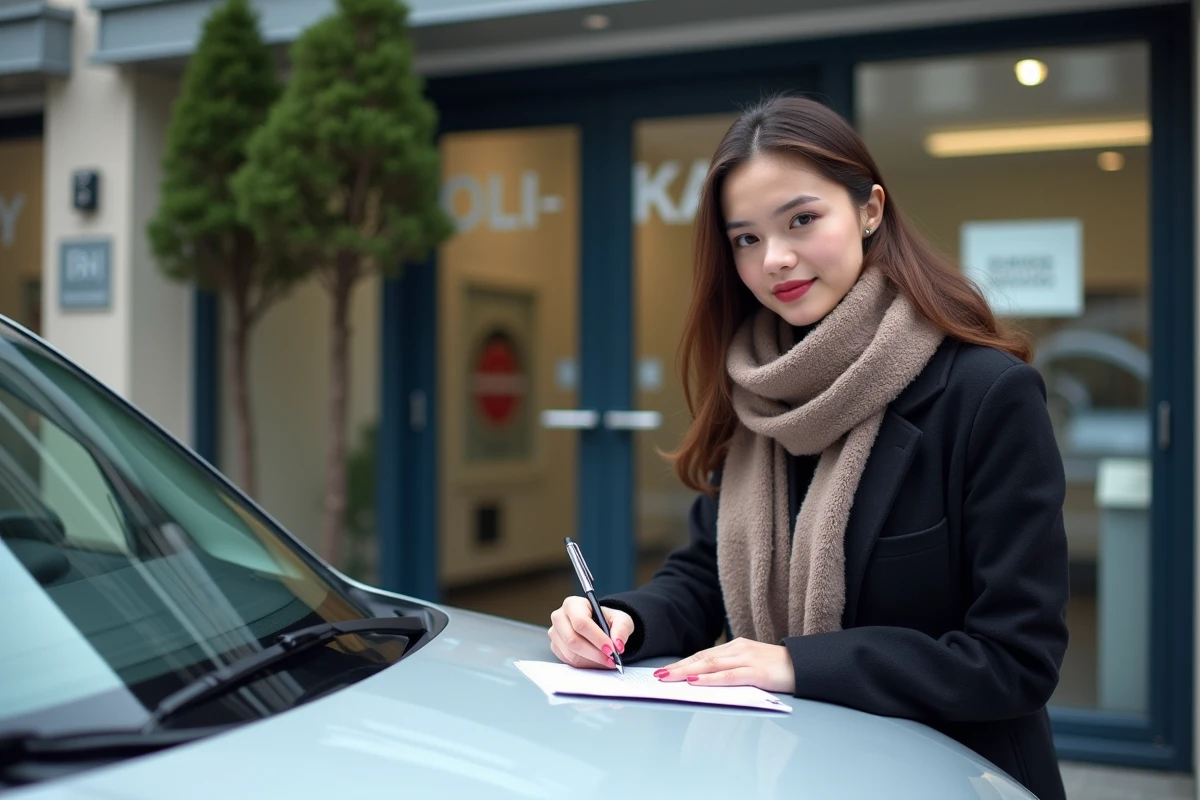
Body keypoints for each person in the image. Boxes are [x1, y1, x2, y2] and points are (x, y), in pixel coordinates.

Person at [547, 95, 1069, 800]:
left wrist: (795, 664)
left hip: (950, 777)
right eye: (746, 239)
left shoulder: (984, 394)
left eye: (802, 219)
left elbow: (1015, 658)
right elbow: (705, 576)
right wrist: (624, 622)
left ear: (870, 210)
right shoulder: (759, 391)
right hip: (781, 769)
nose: (777, 259)